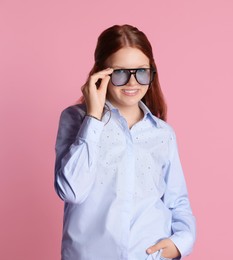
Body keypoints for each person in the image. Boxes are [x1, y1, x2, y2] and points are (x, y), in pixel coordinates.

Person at [54, 24, 196, 260]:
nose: (133, 83)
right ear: (102, 73)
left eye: (142, 71)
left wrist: (180, 243)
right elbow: (71, 191)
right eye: (120, 72)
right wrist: (93, 118)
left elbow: (177, 200)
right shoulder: (75, 120)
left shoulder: (163, 134)